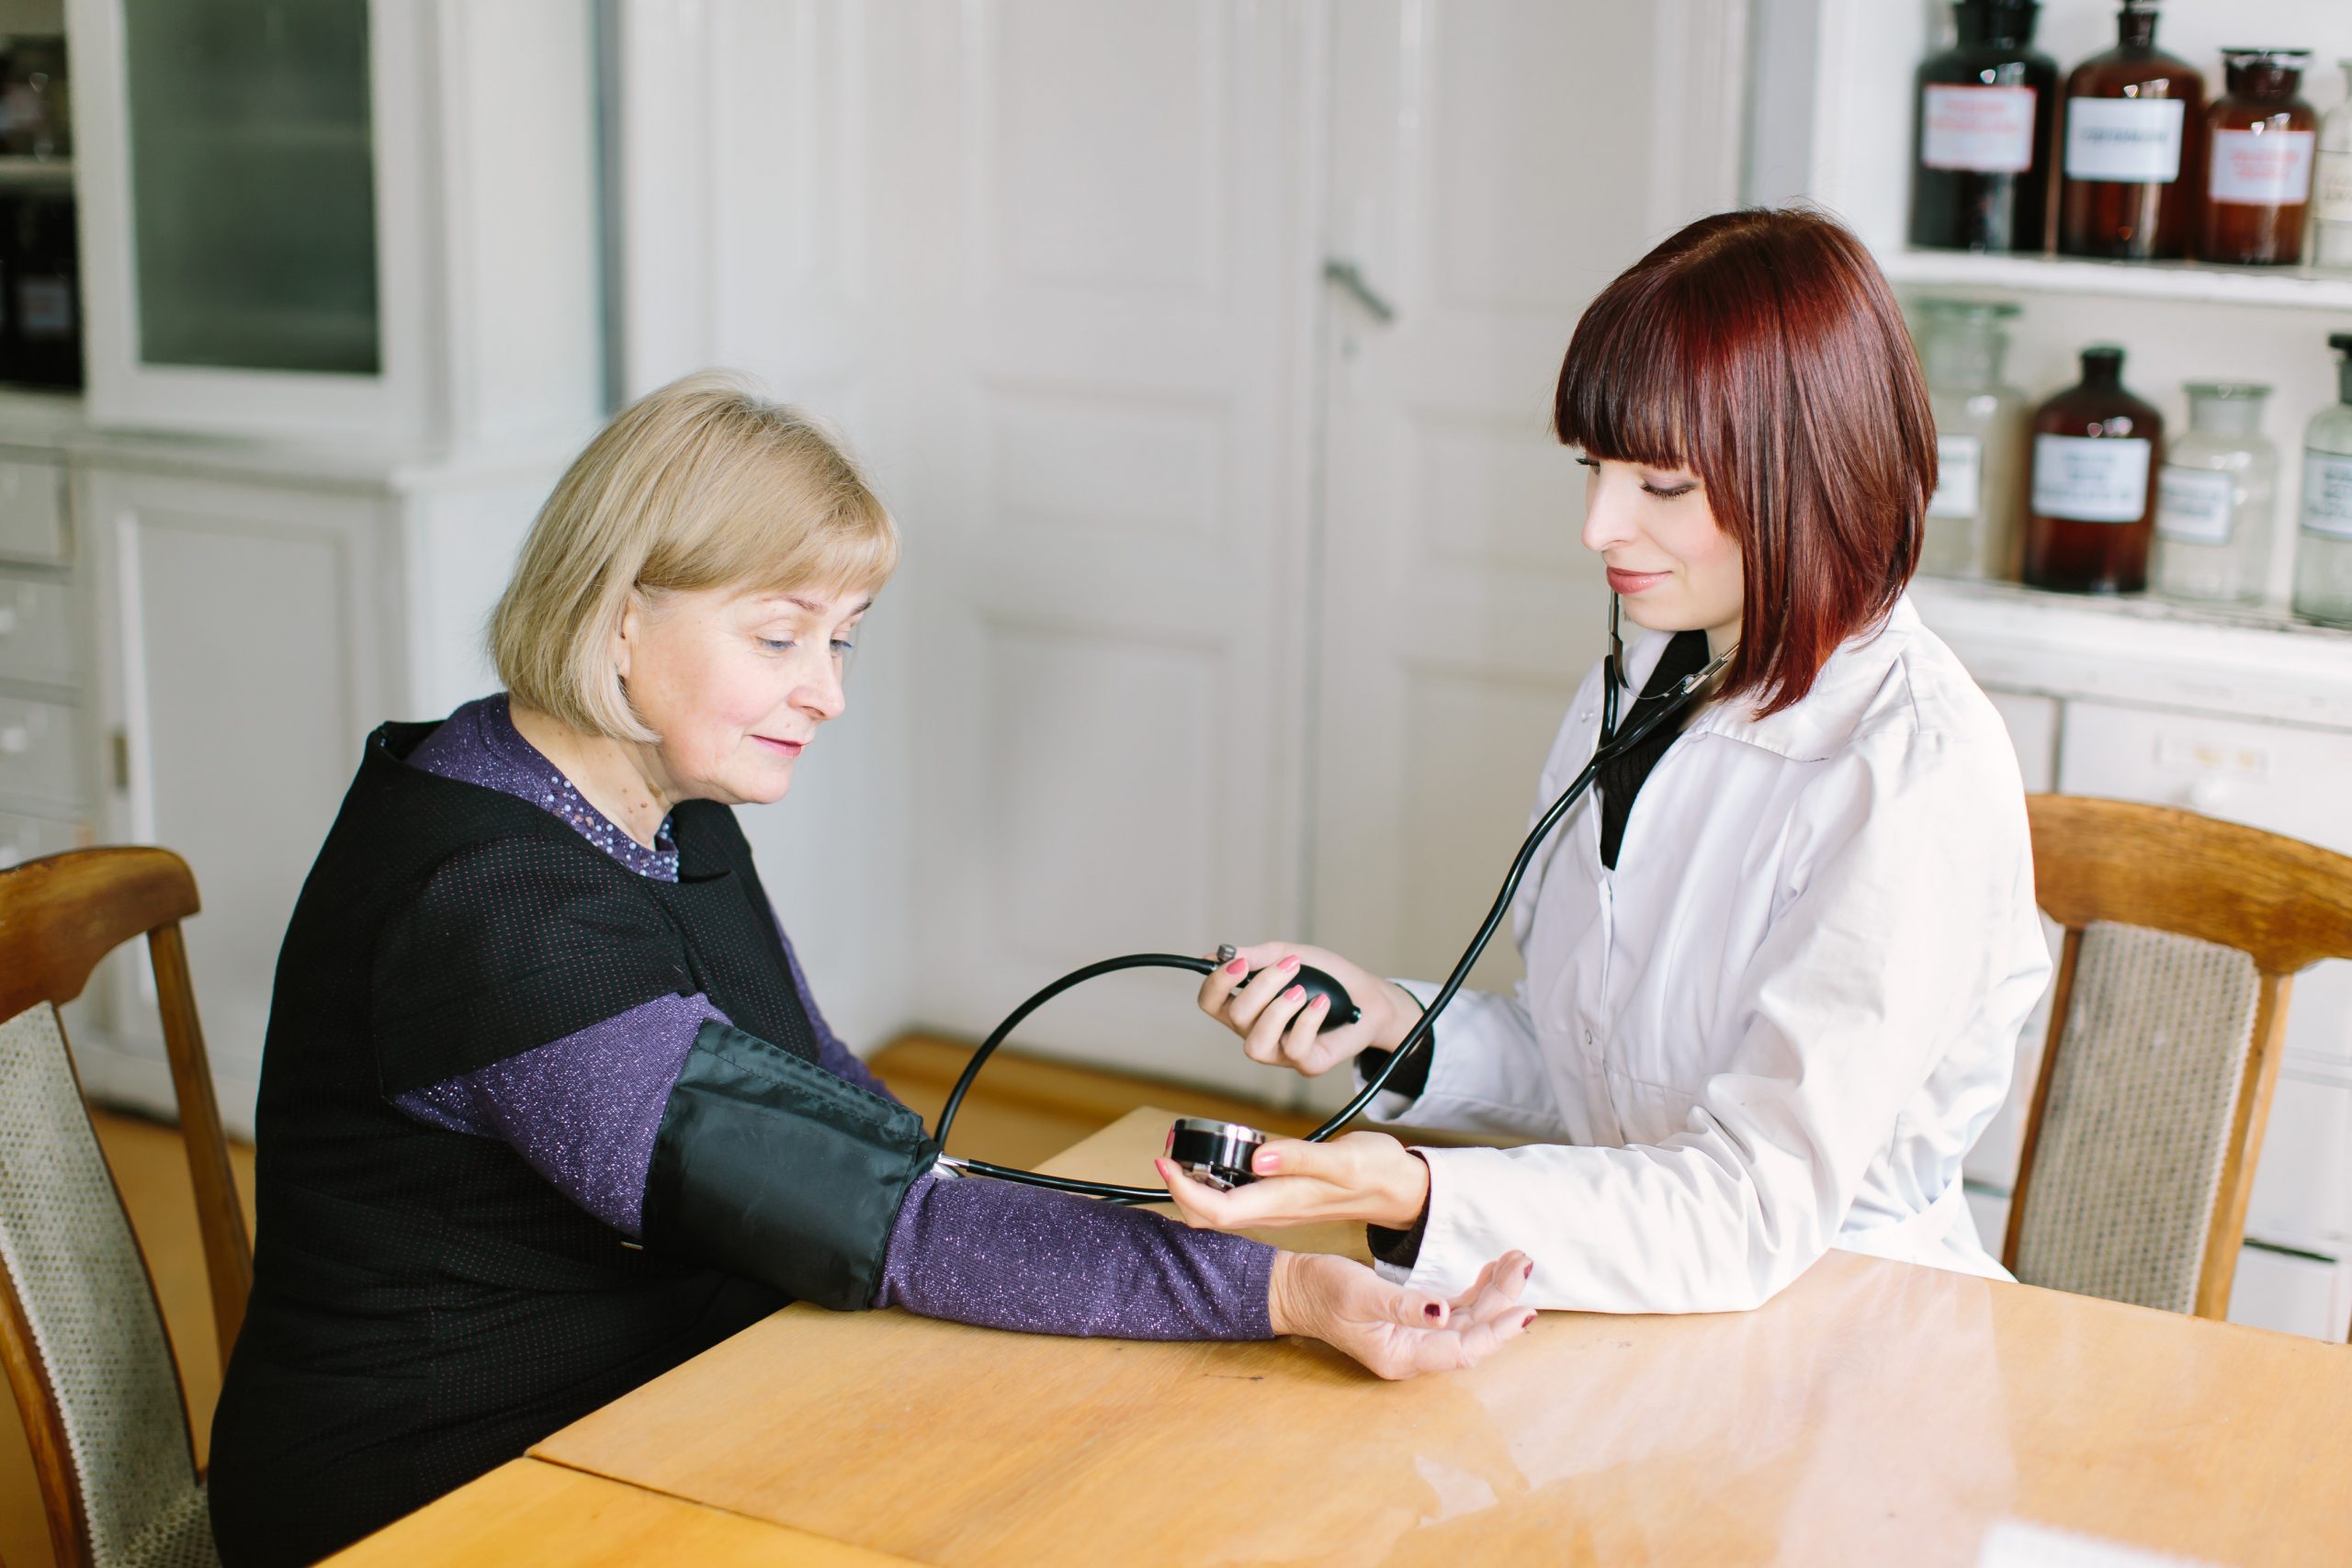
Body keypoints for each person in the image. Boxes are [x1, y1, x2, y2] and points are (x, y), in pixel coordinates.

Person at [208, 374, 1532, 1568]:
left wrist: (1092, 1235)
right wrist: (1284, 1287)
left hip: (667, 1386)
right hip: (435, 1491)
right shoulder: (495, 907)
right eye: (780, 638)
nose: (827, 692)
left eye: (842, 639)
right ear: (617, 619)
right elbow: (865, 1210)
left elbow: (823, 1099)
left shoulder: (661, 794)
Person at [1171, 208, 2052, 1314]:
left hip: (1844, 1322)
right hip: (1634, 1294)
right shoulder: (1650, 675)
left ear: (1815, 474)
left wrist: (1413, 1189)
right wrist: (1395, 1027)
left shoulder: (1914, 773)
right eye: (1595, 469)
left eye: (1661, 486)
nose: (1597, 525)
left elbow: (1744, 1206)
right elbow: (1602, 1064)